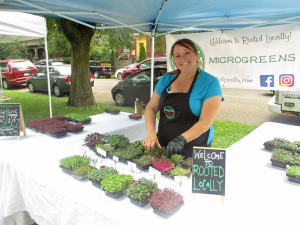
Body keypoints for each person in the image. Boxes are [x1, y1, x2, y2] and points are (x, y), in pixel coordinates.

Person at [142, 38, 223, 158]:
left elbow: (205, 122)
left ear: (196, 54)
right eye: (178, 55)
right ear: (174, 60)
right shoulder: (166, 79)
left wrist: (181, 140)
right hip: (163, 145)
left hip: (194, 149)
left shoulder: (210, 82)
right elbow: (151, 108)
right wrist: (151, 133)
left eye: (187, 53)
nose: (183, 59)